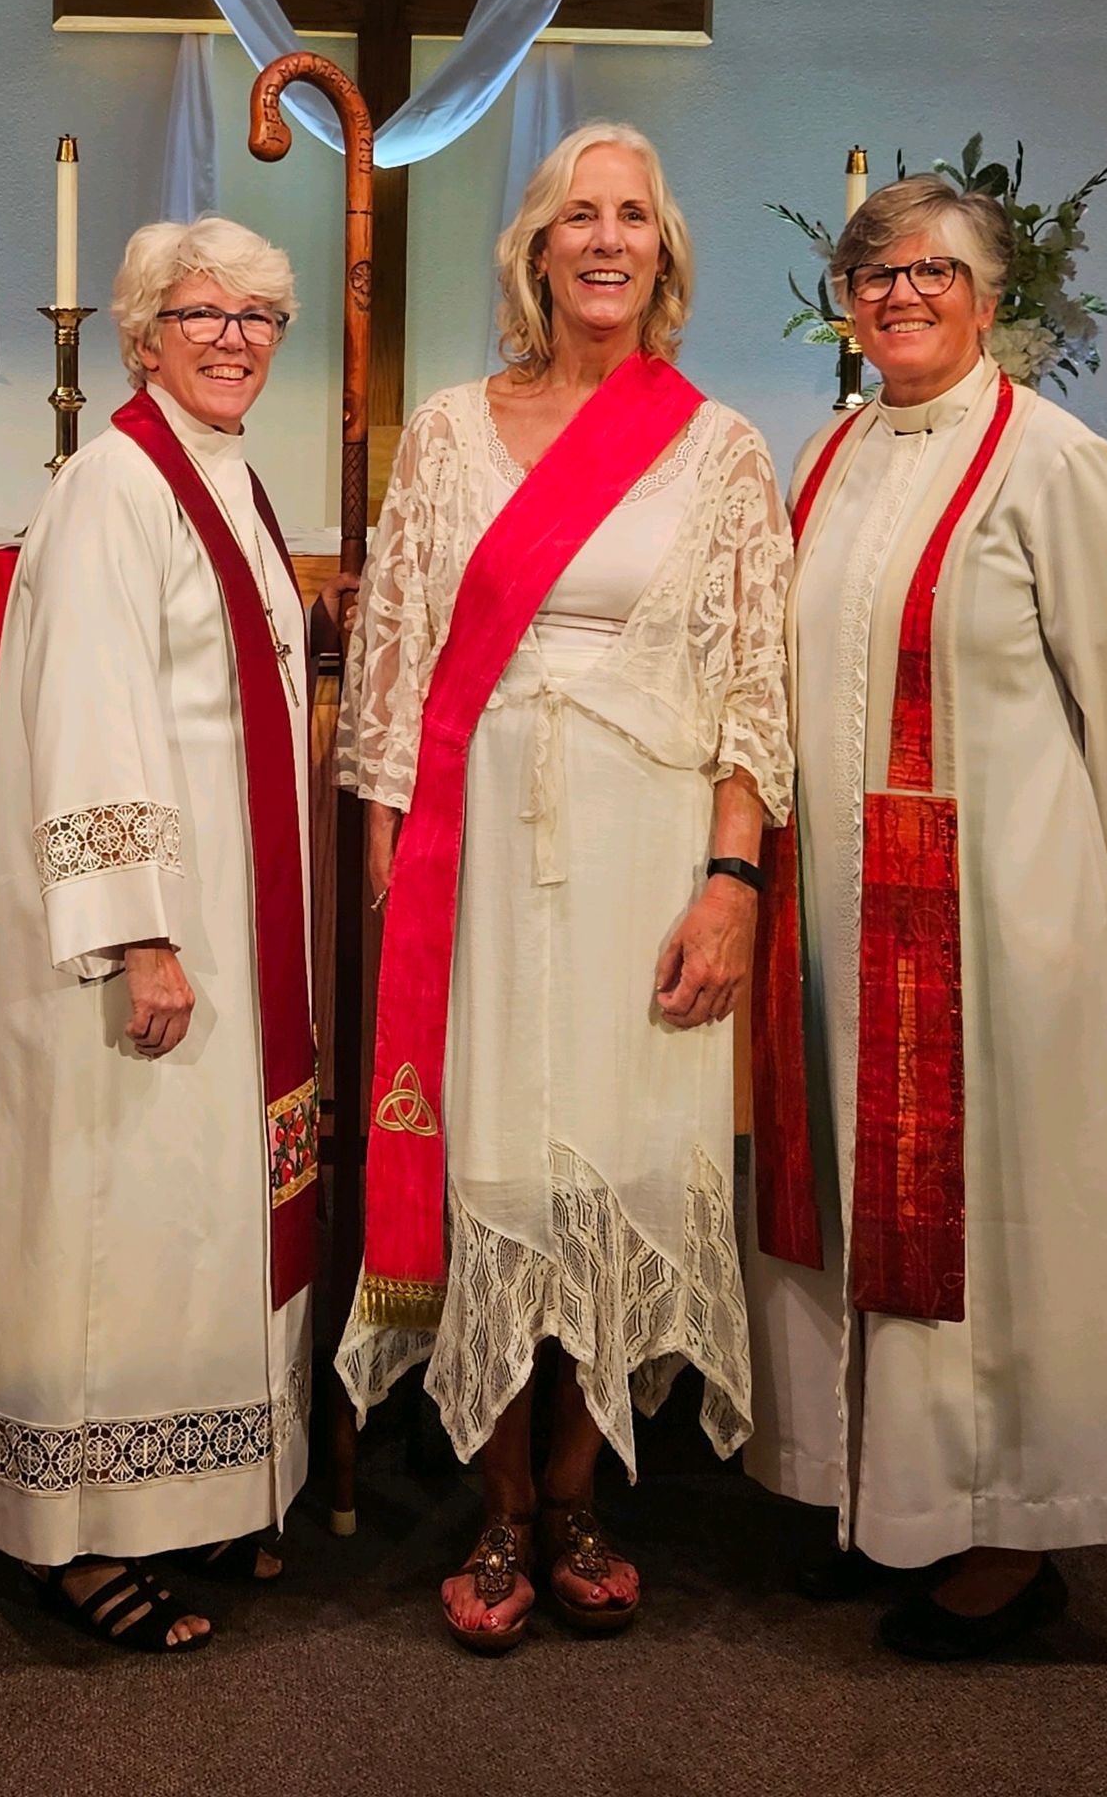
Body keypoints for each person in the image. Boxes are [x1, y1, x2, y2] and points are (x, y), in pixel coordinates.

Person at [336, 122, 794, 1651]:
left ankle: (585, 1490)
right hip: (481, 856)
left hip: (647, 845)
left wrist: (731, 882)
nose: (607, 240)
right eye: (578, 215)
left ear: (664, 250)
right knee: (503, 1166)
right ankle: (498, 1506)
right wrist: (394, 865)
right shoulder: (455, 432)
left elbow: (753, 690)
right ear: (535, 249)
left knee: (622, 1164)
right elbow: (394, 675)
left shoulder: (720, 445)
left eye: (635, 217)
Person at [743, 173, 1107, 1658]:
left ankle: (1005, 1534)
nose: (902, 296)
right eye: (876, 278)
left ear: (988, 302)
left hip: (993, 917)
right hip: (842, 917)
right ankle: (891, 1507)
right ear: (847, 312)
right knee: (866, 1216)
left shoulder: (1051, 459)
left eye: (933, 274)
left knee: (991, 1227)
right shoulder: (833, 453)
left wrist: (1106, 893)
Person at [0, 217, 316, 1655]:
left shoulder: (223, 476)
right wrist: (140, 938)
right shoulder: (114, 487)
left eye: (260, 317)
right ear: (137, 334)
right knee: (108, 1224)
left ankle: (184, 1496)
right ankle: (77, 1535)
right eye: (203, 312)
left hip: (224, 911)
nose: (234, 337)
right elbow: (94, 718)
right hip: (141, 934)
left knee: (191, 1220)